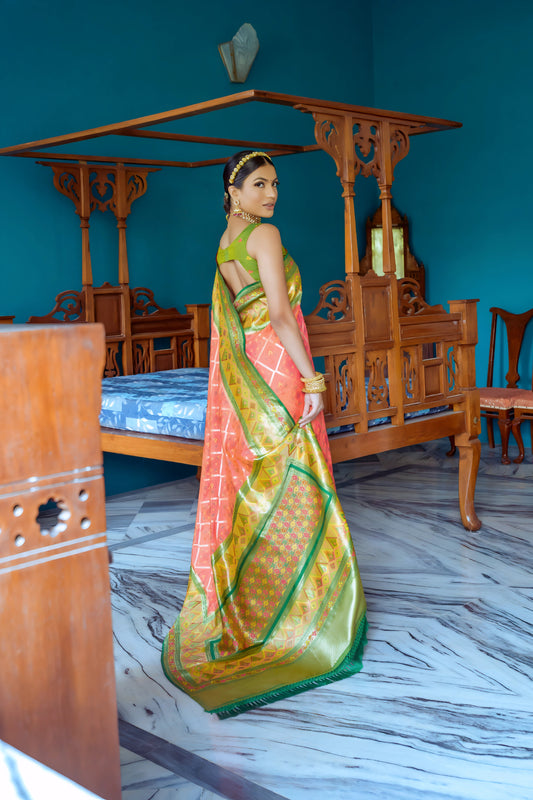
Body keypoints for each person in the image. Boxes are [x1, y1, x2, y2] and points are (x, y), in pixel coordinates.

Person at [162, 150, 367, 718]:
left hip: (247, 367)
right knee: (296, 479)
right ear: (234, 191)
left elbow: (248, 315)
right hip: (277, 365)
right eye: (259, 184)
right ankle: (303, 613)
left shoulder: (225, 240)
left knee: (263, 483)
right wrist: (313, 379)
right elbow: (279, 314)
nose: (271, 193)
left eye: (275, 184)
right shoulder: (265, 235)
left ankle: (259, 605)